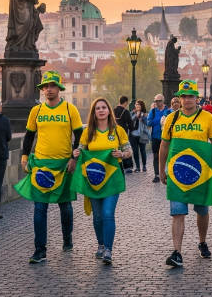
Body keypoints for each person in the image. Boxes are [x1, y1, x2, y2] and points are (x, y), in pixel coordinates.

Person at [18, 71, 84, 264]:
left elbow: (80, 136)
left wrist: (74, 158)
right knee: (40, 208)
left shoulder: (70, 110)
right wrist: (24, 157)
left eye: (52, 86)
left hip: (63, 165)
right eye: (45, 86)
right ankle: (40, 249)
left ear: (59, 89)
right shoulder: (36, 111)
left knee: (65, 206)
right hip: (41, 165)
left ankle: (67, 237)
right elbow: (29, 136)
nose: (48, 89)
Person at [159, 80, 212, 268]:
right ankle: (177, 252)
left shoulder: (207, 118)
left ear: (197, 98)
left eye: (191, 96)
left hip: (199, 173)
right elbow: (164, 146)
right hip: (177, 174)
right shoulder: (171, 119)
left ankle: (202, 242)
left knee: (202, 211)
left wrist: (203, 160)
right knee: (178, 212)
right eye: (184, 96)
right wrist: (161, 170)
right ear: (179, 98)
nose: (187, 100)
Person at [72, 97, 132, 265]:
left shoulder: (117, 131)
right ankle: (100, 244)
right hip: (94, 179)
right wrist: (76, 154)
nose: (101, 110)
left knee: (107, 214)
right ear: (94, 112)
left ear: (108, 110)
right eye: (97, 108)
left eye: (104, 107)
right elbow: (81, 149)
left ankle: (108, 249)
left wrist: (122, 154)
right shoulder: (88, 132)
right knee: (97, 216)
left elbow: (129, 151)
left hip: (112, 177)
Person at [147, 94, 171, 183]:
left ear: (163, 101)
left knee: (168, 155)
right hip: (155, 137)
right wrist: (159, 120)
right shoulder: (153, 111)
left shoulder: (168, 110)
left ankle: (168, 172)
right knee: (156, 156)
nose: (157, 103)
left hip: (167, 137)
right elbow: (148, 123)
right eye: (156, 101)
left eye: (159, 101)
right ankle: (157, 174)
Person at [129, 100, 148, 174]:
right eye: (136, 104)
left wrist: (142, 118)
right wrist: (135, 116)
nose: (137, 106)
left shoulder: (145, 114)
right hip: (133, 135)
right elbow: (129, 121)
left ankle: (144, 166)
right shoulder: (131, 113)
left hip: (142, 135)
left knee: (143, 151)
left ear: (142, 106)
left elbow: (147, 123)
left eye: (139, 104)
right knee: (135, 151)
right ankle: (137, 167)